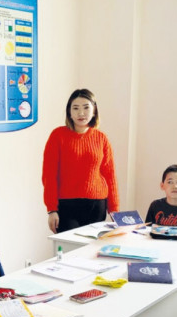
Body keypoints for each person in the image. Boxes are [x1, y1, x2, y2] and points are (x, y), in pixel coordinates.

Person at [42, 88, 119, 233]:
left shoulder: (101, 138)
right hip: (67, 206)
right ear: (69, 112)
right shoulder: (57, 136)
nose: (81, 113)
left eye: (86, 107)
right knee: (69, 246)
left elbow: (109, 175)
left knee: (93, 247)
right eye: (75, 108)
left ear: (94, 111)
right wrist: (51, 209)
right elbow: (49, 175)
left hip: (97, 206)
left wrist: (114, 209)